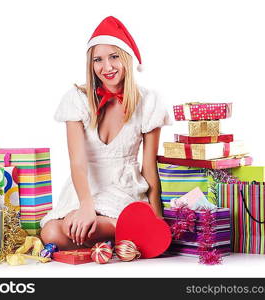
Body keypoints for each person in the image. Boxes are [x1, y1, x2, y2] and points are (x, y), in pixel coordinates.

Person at [40, 16, 171, 250]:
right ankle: (119, 230)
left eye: (114, 57)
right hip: (85, 189)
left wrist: (158, 219)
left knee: (78, 228)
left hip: (123, 188)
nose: (107, 67)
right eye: (98, 60)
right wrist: (86, 205)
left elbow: (149, 168)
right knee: (50, 233)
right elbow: (77, 162)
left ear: (126, 59)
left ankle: (123, 226)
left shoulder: (148, 102)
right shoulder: (76, 100)